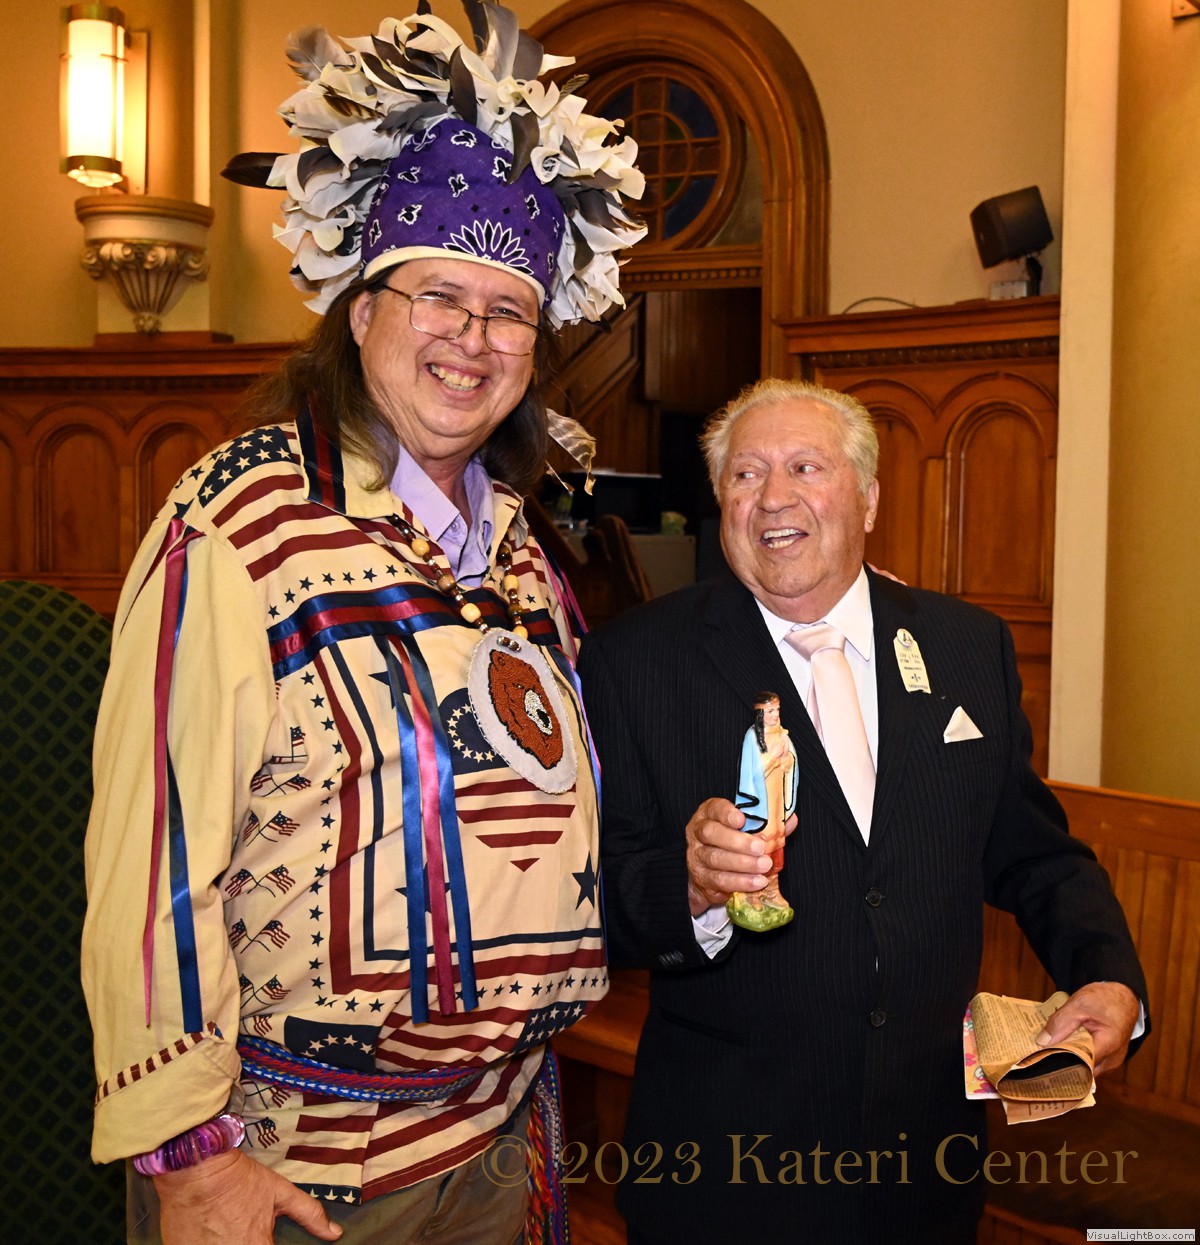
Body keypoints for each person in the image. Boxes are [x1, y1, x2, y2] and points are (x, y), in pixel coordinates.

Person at [81, 5, 643, 1243]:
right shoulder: (240, 524)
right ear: (359, 308)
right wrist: (191, 1160)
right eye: (441, 296)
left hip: (497, 1146)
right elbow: (156, 855)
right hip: (299, 1171)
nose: (474, 341)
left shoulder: (526, 553)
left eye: (510, 312)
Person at [577, 378, 1147, 1245]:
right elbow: (600, 900)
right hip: (725, 1176)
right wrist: (689, 885)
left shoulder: (967, 645)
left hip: (924, 1170)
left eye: (806, 467)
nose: (774, 497)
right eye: (745, 474)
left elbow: (1035, 854)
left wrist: (1109, 973)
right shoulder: (634, 661)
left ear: (870, 498)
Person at [726, 692, 796, 930]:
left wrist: (787, 760)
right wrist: (773, 758)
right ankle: (753, 892)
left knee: (776, 846)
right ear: (759, 714)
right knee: (759, 848)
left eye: (777, 710)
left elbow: (791, 766)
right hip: (760, 803)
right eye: (770, 711)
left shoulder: (782, 734)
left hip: (776, 800)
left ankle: (772, 889)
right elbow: (752, 771)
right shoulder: (752, 737)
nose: (775, 715)